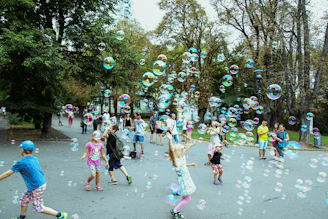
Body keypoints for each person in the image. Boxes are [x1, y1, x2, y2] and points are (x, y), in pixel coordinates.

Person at [0, 140, 68, 219]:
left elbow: (7, 173)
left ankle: (61, 215)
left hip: (36, 186)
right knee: (24, 199)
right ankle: (22, 217)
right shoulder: (34, 158)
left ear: (22, 150)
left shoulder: (21, 162)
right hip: (37, 183)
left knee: (39, 208)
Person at [166, 132, 196, 219]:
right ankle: (175, 211)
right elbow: (172, 150)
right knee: (188, 199)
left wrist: (190, 143)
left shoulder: (181, 158)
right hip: (184, 183)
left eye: (181, 150)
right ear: (175, 152)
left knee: (184, 198)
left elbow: (185, 148)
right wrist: (170, 139)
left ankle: (176, 210)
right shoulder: (176, 162)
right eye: (178, 150)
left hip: (186, 181)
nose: (181, 151)